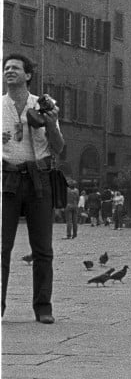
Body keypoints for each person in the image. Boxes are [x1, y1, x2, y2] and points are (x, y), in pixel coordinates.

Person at [2, 54, 65, 323]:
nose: (9, 71)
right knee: (1, 247)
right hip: (6, 179)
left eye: (15, 68)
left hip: (39, 179)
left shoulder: (42, 105)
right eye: (6, 68)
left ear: (28, 75)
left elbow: (59, 147)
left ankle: (43, 307)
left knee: (42, 248)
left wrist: (50, 122)